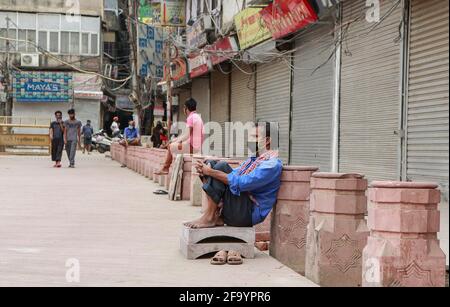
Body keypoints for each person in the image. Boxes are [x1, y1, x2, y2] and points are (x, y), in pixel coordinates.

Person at [184, 122, 282, 230]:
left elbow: (241, 183)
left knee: (221, 166)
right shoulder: (254, 160)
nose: (250, 140)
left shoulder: (271, 165)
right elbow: (234, 174)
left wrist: (210, 172)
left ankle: (210, 217)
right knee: (212, 163)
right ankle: (214, 215)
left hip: (248, 213)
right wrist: (206, 171)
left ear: (267, 140)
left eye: (255, 137)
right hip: (239, 206)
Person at [155, 98, 204, 175]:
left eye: (184, 107)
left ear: (186, 108)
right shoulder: (197, 116)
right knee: (172, 145)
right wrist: (175, 140)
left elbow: (186, 136)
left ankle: (165, 168)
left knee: (170, 146)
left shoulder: (191, 118)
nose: (183, 109)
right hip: (195, 146)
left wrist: (174, 141)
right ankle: (170, 168)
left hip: (192, 147)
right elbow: (186, 134)